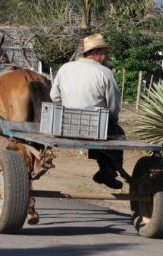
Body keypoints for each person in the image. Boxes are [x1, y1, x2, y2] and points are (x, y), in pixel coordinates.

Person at [50, 33, 125, 189]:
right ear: (96, 53)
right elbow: (114, 105)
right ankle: (108, 171)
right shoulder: (105, 73)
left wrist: (68, 107)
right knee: (115, 131)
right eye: (104, 52)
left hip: (65, 124)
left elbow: (54, 96)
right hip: (94, 126)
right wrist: (113, 119)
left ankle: (106, 170)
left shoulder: (65, 68)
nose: (106, 56)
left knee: (97, 125)